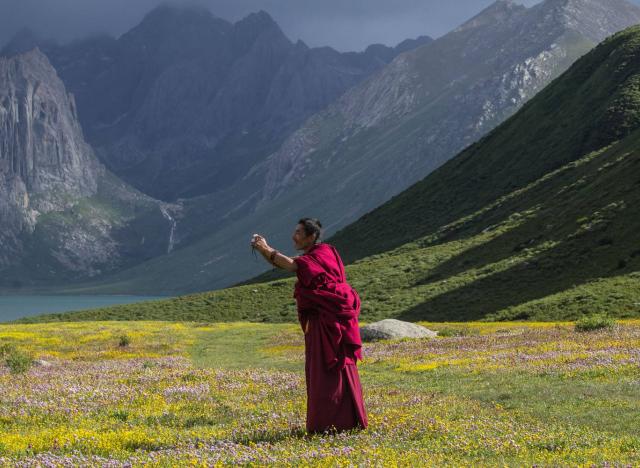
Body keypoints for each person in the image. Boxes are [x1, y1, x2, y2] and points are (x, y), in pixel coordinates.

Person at [250, 218, 368, 434]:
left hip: (325, 322)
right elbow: (295, 265)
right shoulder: (327, 252)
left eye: (298, 232)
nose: (293, 236)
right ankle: (347, 421)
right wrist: (265, 250)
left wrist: (265, 248)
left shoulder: (318, 255)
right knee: (338, 367)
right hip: (333, 319)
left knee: (325, 370)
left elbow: (292, 265)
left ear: (311, 236)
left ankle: (329, 423)